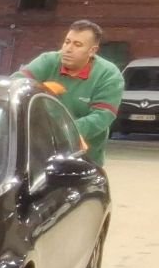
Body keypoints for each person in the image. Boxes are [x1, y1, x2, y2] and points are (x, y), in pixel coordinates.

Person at [18, 19, 122, 162]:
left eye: (77, 45)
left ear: (92, 51)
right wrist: (37, 88)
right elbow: (15, 83)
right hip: (37, 146)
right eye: (67, 42)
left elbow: (102, 116)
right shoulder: (48, 61)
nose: (68, 49)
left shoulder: (108, 75)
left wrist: (65, 131)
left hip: (83, 154)